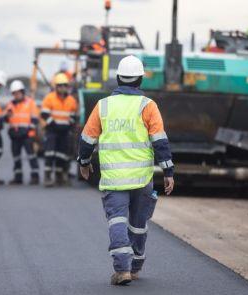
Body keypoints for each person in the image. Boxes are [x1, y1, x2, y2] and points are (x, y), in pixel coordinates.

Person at [77, 55, 175, 285]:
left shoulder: (103, 106)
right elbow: (160, 141)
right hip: (142, 179)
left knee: (117, 221)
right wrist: (168, 171)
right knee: (139, 224)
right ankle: (136, 265)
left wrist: (83, 163)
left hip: (114, 179)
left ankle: (122, 270)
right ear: (140, 79)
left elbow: (86, 139)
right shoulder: (148, 106)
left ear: (118, 79)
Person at [40, 73, 78, 187]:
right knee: (50, 153)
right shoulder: (49, 98)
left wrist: (69, 125)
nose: (62, 88)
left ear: (67, 86)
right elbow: (44, 114)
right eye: (60, 85)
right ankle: (47, 177)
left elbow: (73, 116)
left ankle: (59, 177)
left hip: (65, 132)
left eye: (64, 85)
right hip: (52, 130)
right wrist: (54, 124)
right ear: (56, 87)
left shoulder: (71, 100)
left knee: (62, 155)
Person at [5, 80, 40, 185]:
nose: (16, 95)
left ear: (22, 92)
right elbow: (6, 119)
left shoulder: (30, 103)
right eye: (14, 93)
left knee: (31, 156)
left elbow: (35, 118)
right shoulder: (10, 105)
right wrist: (7, 117)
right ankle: (18, 177)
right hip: (15, 135)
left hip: (27, 135)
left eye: (18, 92)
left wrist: (29, 130)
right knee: (16, 157)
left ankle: (35, 177)